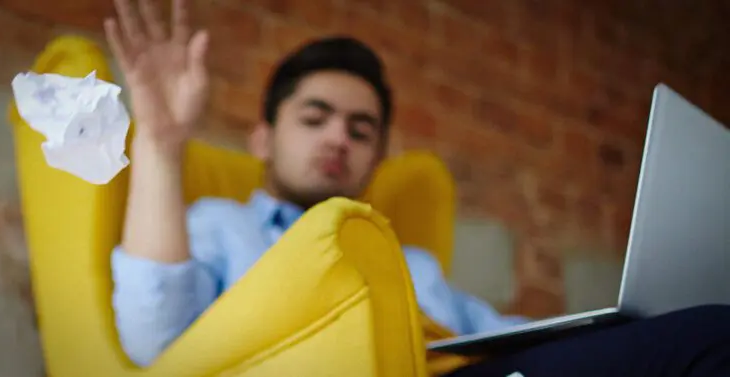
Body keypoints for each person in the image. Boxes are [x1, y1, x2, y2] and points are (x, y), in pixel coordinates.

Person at [103, 0, 730, 376]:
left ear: (376, 159)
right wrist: (160, 141)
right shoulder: (219, 225)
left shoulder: (412, 263)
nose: (338, 139)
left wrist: (615, 323)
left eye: (361, 130)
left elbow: (508, 331)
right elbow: (154, 340)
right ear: (263, 139)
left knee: (699, 335)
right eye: (315, 119)